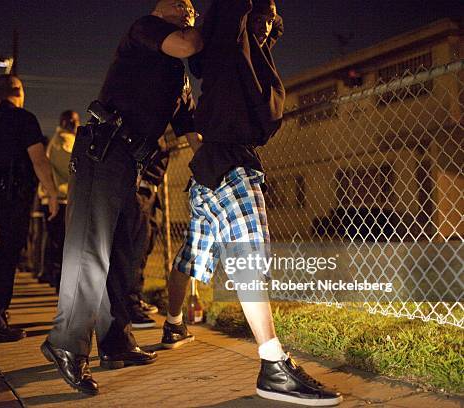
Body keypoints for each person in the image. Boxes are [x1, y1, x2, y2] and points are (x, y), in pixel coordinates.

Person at [163, 0, 343, 405]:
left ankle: (173, 324)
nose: (266, 26)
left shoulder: (249, 61)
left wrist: (264, 24)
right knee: (250, 260)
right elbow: (232, 16)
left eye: (271, 21)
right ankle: (273, 366)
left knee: (191, 256)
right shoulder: (230, 46)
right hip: (231, 165)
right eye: (261, 17)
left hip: (207, 171)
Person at [40, 0, 202, 395]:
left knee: (125, 253)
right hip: (104, 151)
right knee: (90, 250)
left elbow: (192, 132)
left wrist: (216, 172)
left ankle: (116, 342)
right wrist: (218, 25)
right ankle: (66, 344)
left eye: (193, 8)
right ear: (160, 9)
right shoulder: (144, 30)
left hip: (132, 164)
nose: (188, 10)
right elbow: (187, 44)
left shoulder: (177, 79)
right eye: (179, 5)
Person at [0, 74, 58, 343]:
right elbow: (39, 160)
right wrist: (51, 193)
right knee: (6, 257)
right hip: (12, 194)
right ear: (20, 92)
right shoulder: (25, 119)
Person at [128, 141, 170, 329]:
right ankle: (129, 307)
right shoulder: (145, 117)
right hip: (137, 189)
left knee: (144, 247)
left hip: (149, 189)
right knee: (134, 251)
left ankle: (134, 299)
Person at [37, 110, 80, 289]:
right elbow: (72, 167)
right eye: (75, 121)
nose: (78, 124)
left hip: (56, 197)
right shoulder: (65, 140)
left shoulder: (57, 139)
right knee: (63, 242)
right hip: (61, 198)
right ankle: (60, 282)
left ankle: (53, 276)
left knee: (56, 241)